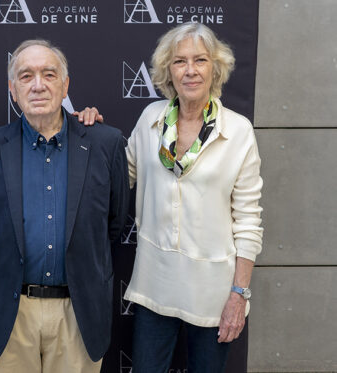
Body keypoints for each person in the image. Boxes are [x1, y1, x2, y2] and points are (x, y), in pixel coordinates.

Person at [0, 39, 129, 373]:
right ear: (13, 90)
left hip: (78, 314)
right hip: (9, 316)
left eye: (48, 74)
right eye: (26, 76)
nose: (38, 85)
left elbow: (114, 222)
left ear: (65, 85)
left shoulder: (106, 144)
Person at [122, 23, 263, 372]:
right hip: (155, 284)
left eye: (200, 60)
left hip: (214, 294)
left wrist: (238, 295)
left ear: (215, 67)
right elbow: (115, 177)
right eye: (180, 61)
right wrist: (82, 129)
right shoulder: (151, 119)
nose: (190, 70)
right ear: (168, 69)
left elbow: (248, 220)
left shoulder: (238, 131)